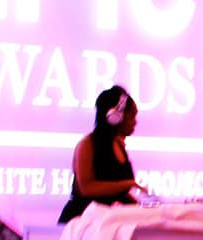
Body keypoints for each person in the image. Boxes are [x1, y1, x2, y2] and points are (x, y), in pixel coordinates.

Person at [58, 86, 142, 224]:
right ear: (115, 116)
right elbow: (87, 188)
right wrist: (128, 183)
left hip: (103, 223)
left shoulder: (118, 145)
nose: (135, 122)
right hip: (80, 222)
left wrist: (146, 209)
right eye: (131, 116)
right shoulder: (87, 145)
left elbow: (118, 193)